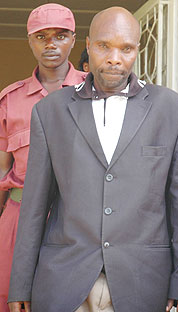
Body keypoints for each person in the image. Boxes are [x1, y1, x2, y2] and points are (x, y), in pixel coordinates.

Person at [8, 6, 178, 312]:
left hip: (143, 283)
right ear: (87, 45)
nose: (114, 58)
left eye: (126, 49)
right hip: (63, 283)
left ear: (138, 49)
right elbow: (34, 207)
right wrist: (19, 285)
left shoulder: (173, 111)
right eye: (103, 46)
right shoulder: (50, 112)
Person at [0, 3, 87, 312]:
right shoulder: (10, 100)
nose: (51, 44)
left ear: (74, 40)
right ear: (30, 41)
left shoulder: (95, 94)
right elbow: (1, 174)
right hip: (18, 216)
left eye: (60, 35)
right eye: (41, 36)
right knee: (10, 299)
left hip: (77, 222)